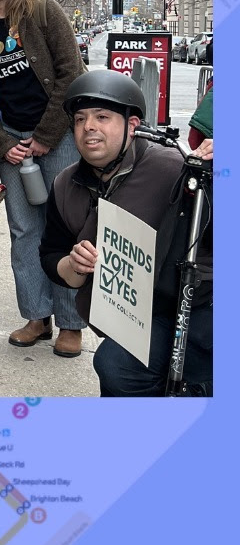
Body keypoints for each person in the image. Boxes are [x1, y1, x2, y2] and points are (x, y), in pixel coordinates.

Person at [40, 71, 213, 397]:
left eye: (102, 117)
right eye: (80, 119)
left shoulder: (173, 167)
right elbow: (51, 254)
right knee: (115, 366)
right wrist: (73, 265)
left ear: (132, 125)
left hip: (202, 305)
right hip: (148, 315)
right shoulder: (65, 185)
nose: (88, 126)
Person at [0, 0, 86, 359]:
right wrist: (3, 142)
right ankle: (37, 316)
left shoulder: (43, 11)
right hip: (11, 141)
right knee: (23, 230)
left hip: (57, 135)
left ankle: (71, 322)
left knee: (66, 225)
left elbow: (72, 73)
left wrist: (47, 136)